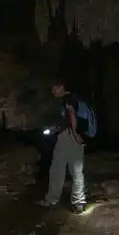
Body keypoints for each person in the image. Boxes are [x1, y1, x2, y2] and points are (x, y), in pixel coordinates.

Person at [38, 79, 89, 214]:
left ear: (61, 87)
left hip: (70, 137)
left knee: (59, 169)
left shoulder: (68, 99)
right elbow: (67, 119)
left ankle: (53, 199)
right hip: (72, 136)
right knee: (74, 170)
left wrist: (75, 134)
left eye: (54, 88)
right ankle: (79, 203)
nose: (52, 91)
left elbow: (71, 115)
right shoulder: (75, 97)